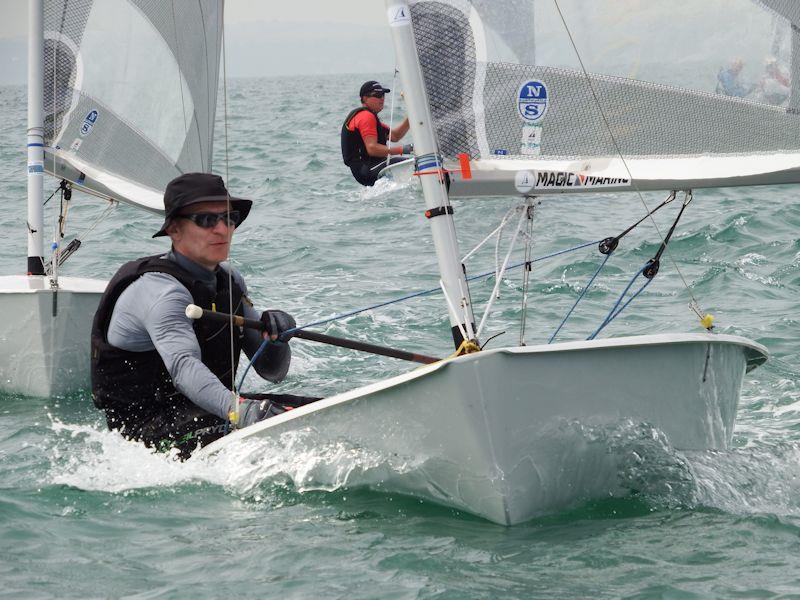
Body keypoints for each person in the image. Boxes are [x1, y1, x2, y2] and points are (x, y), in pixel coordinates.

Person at [91, 173, 312, 459]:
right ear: (174, 230)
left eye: (229, 218)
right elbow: (183, 369)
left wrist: (278, 341)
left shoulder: (230, 281)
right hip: (146, 432)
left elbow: (272, 372)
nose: (222, 229)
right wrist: (241, 411)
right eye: (206, 220)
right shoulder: (163, 292)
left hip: (214, 411)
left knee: (318, 409)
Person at [341, 80, 413, 187]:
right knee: (415, 163)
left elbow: (395, 136)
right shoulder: (366, 116)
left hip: (369, 168)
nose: (382, 98)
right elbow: (372, 149)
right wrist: (401, 150)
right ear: (365, 98)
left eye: (383, 95)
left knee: (412, 162)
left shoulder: (370, 117)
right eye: (378, 95)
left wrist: (413, 115)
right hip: (366, 169)